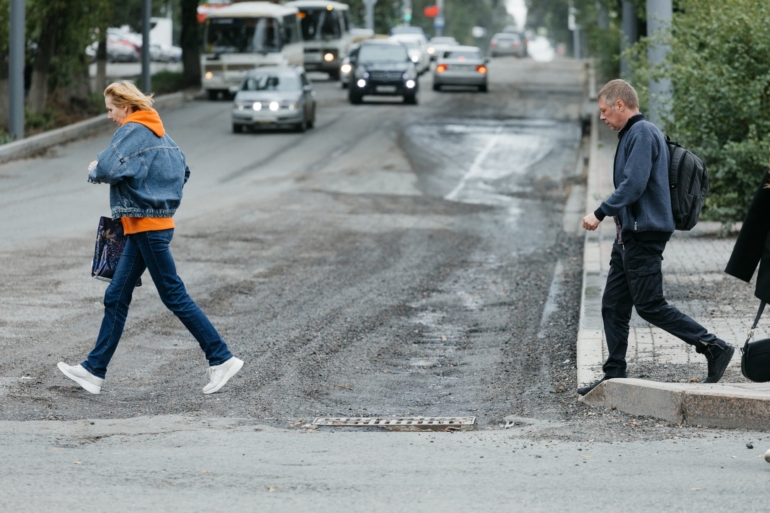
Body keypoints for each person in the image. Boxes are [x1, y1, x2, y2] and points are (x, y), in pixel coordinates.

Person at [58, 81, 243, 395]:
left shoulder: (133, 130)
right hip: (148, 226)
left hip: (147, 228)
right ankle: (93, 371)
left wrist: (94, 169)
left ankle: (221, 357)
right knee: (116, 296)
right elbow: (182, 170)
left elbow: (105, 167)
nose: (109, 116)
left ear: (126, 107)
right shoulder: (159, 132)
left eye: (111, 109)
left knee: (173, 294)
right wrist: (156, 192)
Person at [578, 79, 734, 396]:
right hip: (629, 235)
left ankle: (713, 346)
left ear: (620, 105)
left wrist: (600, 211)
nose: (602, 117)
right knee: (613, 304)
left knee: (650, 305)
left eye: (605, 111)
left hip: (643, 234)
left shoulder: (642, 133)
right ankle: (615, 372)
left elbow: (634, 185)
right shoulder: (633, 134)